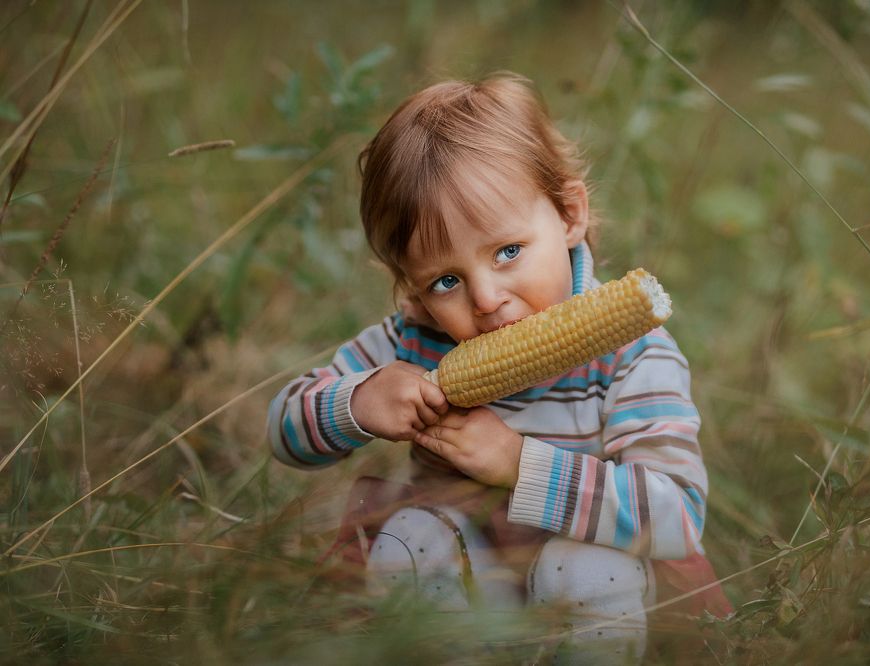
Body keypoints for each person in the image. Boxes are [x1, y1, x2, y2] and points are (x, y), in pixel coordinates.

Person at [267, 72, 728, 663]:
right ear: (412, 286)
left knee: (588, 564)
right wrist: (355, 404)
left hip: (586, 598)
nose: (485, 299)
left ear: (569, 214)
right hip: (465, 587)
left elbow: (678, 517)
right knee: (410, 539)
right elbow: (283, 433)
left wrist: (519, 464)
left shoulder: (633, 355)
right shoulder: (414, 341)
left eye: (508, 252)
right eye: (446, 280)